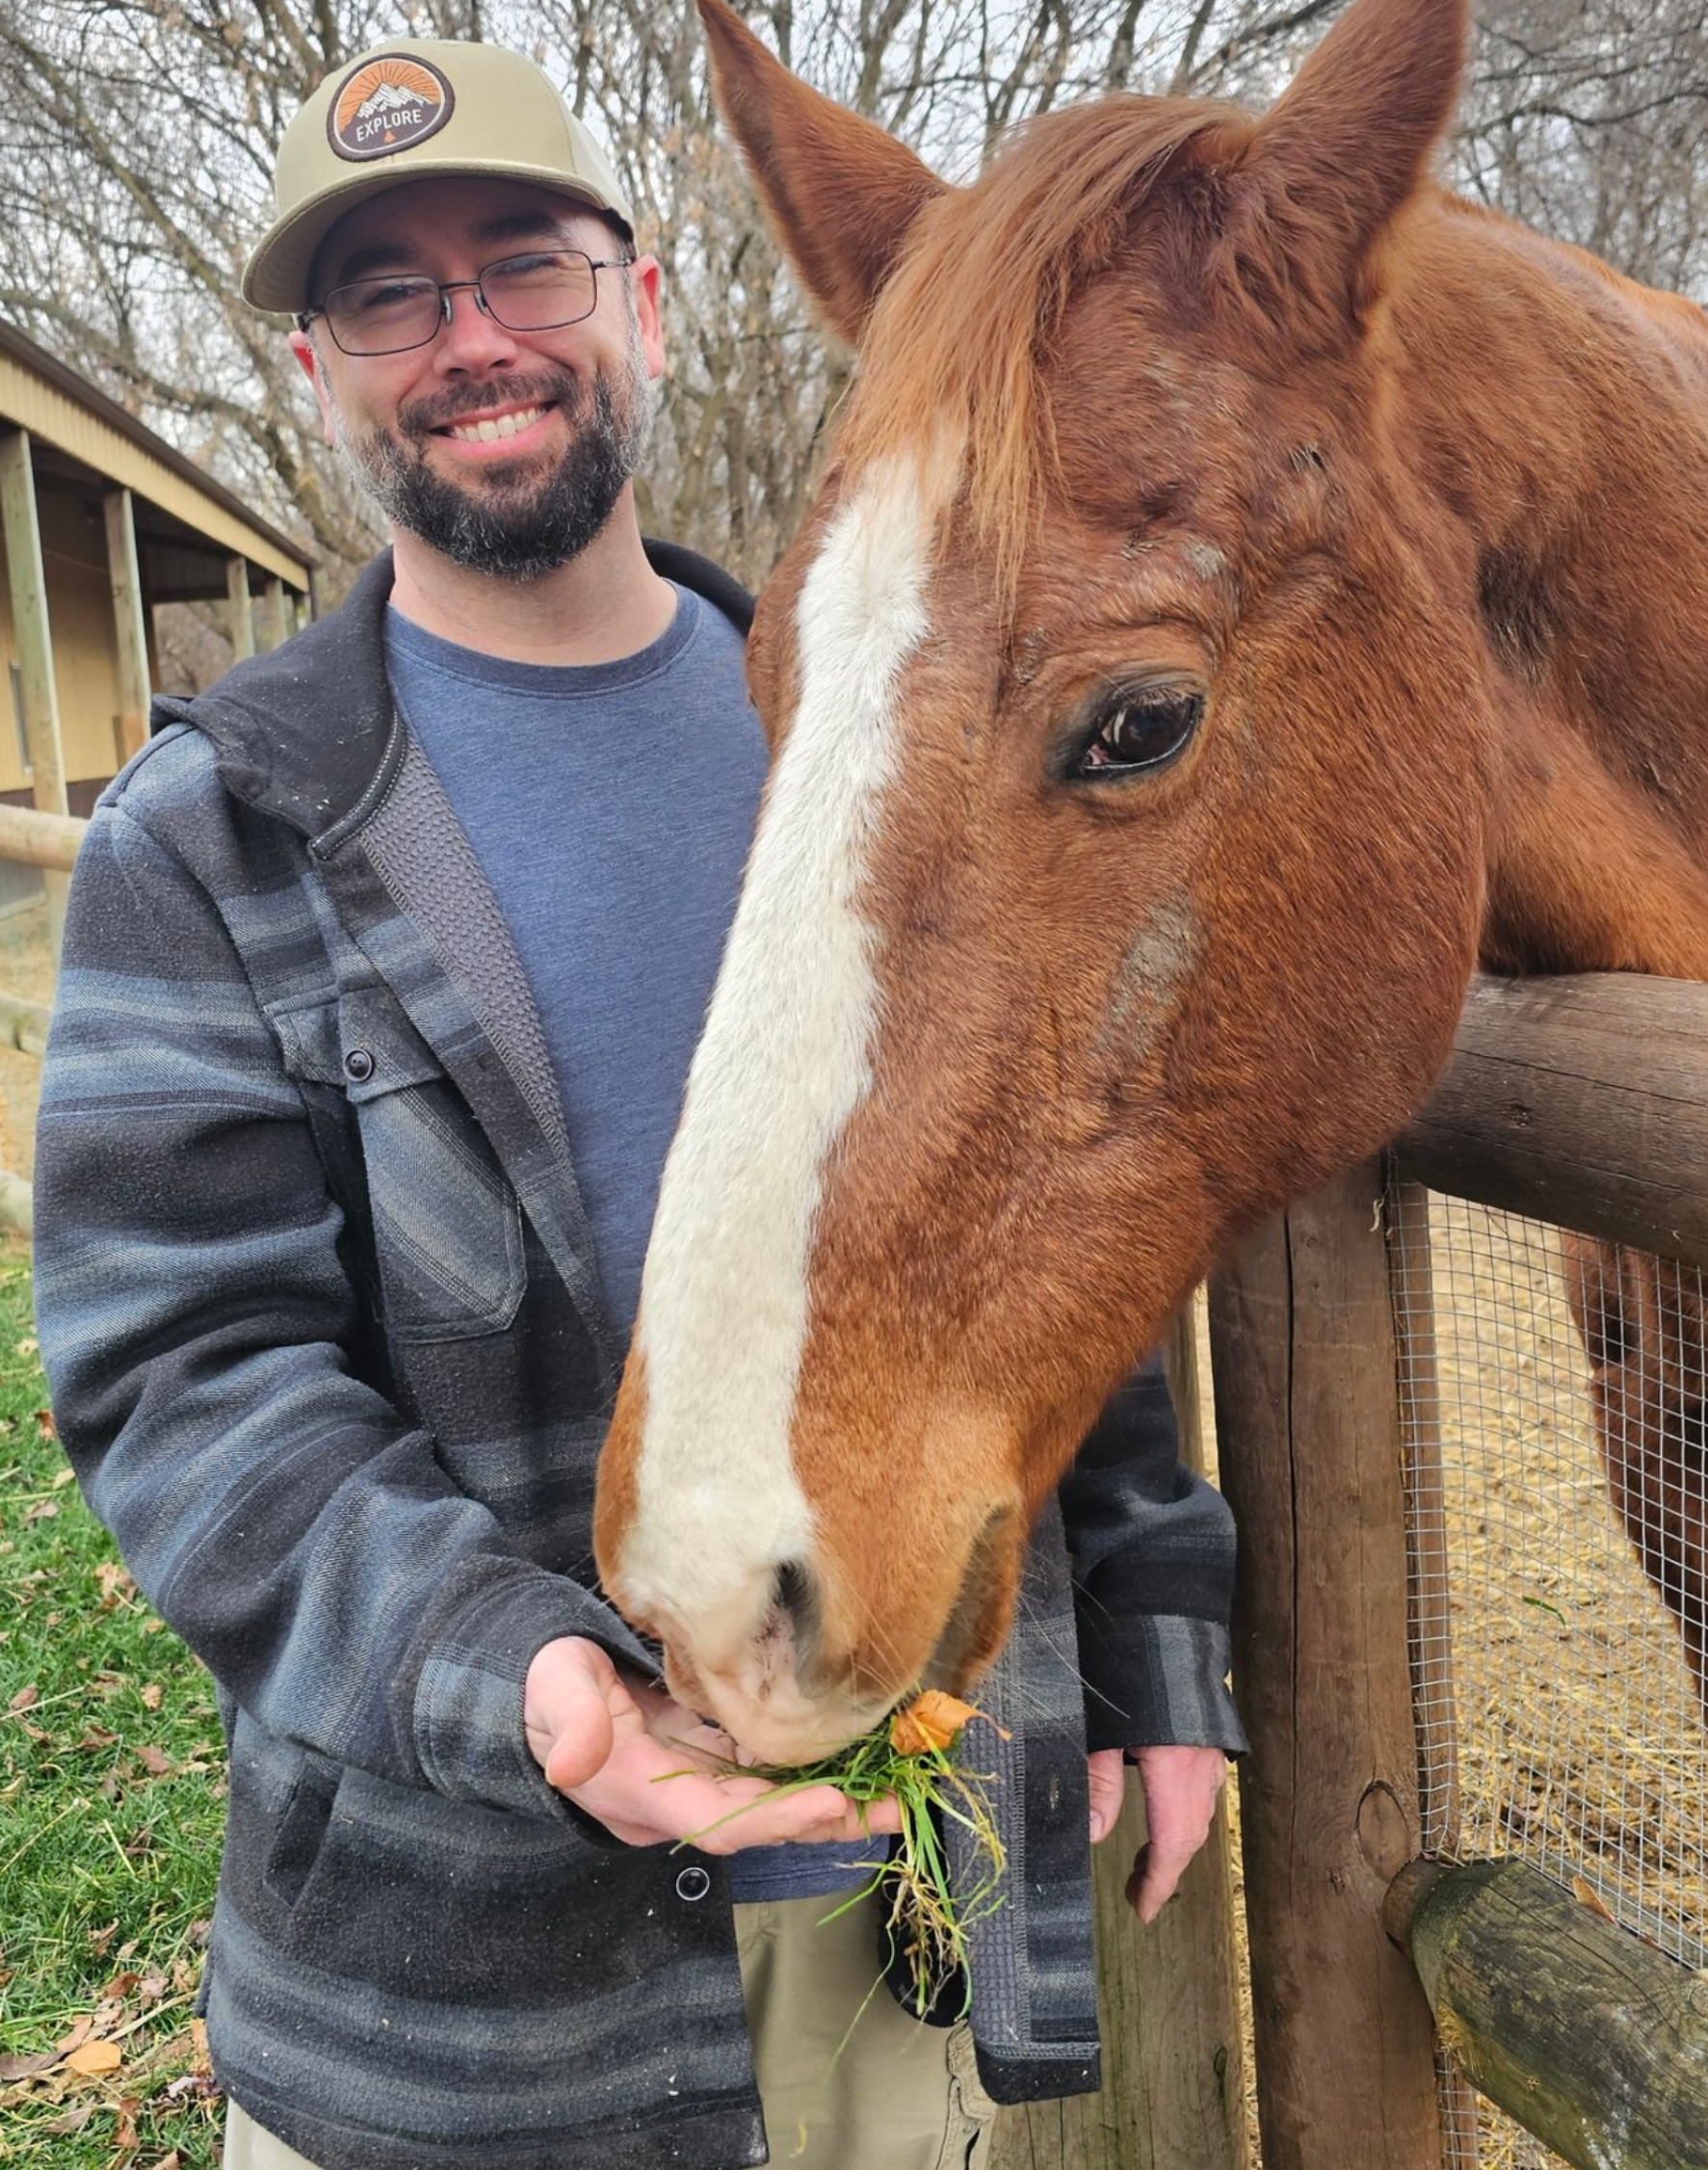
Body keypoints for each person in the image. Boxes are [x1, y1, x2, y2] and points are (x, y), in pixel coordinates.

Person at [34, 36, 1247, 2170]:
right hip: (458, 2003)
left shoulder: (880, 724)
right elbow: (180, 1377)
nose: (473, 339)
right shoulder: (213, 835)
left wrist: (1150, 1615)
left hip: (897, 1926)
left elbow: (1047, 1181)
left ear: (651, 298)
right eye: (390, 296)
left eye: (525, 260)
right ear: (321, 370)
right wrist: (519, 1676)